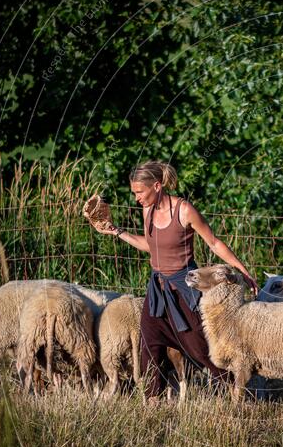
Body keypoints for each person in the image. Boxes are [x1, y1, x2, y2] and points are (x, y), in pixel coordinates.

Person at [96, 161, 258, 402]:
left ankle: (238, 390)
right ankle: (153, 398)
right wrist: (116, 231)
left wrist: (241, 269)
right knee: (150, 343)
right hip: (157, 288)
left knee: (200, 349)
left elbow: (213, 243)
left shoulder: (184, 210)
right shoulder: (147, 211)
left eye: (140, 192)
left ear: (157, 185)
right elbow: (151, 248)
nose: (137, 198)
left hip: (184, 288)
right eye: (134, 193)